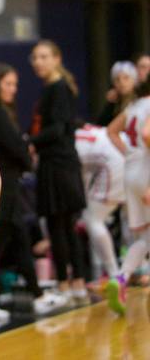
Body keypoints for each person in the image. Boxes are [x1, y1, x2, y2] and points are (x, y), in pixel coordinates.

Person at [0, 63, 67, 320]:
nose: (13, 90)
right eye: (8, 84)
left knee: (20, 239)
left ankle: (37, 294)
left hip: (7, 188)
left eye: (15, 85)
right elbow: (16, 148)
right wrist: (26, 156)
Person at [29, 40, 88, 305]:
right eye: (35, 58)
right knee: (61, 226)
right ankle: (71, 283)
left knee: (62, 225)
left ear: (57, 58)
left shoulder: (59, 88)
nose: (38, 62)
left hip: (60, 165)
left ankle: (70, 283)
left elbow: (59, 129)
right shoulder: (52, 89)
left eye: (43, 57)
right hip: (55, 163)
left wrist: (30, 142)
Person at [106, 77, 150, 315]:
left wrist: (131, 154)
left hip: (131, 172)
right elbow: (147, 134)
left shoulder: (133, 106)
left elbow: (111, 131)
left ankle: (121, 278)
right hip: (146, 174)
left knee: (145, 236)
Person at [75, 122, 125, 313]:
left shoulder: (71, 145)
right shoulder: (85, 132)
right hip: (129, 154)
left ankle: (115, 275)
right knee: (131, 223)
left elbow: (82, 177)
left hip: (115, 162)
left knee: (92, 219)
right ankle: (113, 273)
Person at [96, 61, 137, 126]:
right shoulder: (114, 103)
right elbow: (101, 125)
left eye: (126, 78)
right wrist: (111, 104)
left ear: (134, 80)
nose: (122, 82)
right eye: (117, 79)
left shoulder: (139, 101)